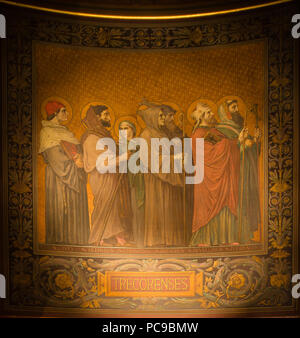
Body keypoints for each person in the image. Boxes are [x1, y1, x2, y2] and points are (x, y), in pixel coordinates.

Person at [189, 102, 241, 246]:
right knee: (207, 208)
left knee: (225, 202)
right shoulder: (198, 134)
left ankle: (226, 238)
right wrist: (230, 144)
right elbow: (208, 154)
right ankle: (205, 240)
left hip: (222, 175)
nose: (212, 114)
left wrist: (238, 142)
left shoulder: (214, 131)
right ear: (202, 116)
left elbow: (227, 143)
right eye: (209, 112)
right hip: (206, 179)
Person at [39, 100, 90, 245]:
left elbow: (77, 151)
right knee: (62, 206)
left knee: (76, 208)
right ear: (54, 114)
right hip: (59, 177)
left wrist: (81, 158)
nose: (66, 114)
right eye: (63, 111)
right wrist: (76, 163)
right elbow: (54, 157)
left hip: (74, 173)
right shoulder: (47, 132)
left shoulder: (66, 132)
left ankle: (79, 241)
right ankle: (62, 242)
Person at [81, 105, 132, 246]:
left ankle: (114, 234)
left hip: (111, 176)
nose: (109, 118)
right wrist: (122, 158)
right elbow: (100, 163)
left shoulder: (104, 135)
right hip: (101, 177)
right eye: (105, 115)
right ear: (97, 117)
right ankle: (98, 236)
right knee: (103, 205)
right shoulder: (91, 138)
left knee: (113, 207)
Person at [138, 102, 185, 247]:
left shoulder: (163, 133)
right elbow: (150, 159)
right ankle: (157, 240)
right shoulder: (146, 134)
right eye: (159, 116)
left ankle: (171, 240)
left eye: (163, 116)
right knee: (157, 207)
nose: (163, 118)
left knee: (170, 208)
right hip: (155, 179)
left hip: (169, 177)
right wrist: (174, 159)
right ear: (152, 117)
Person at [217, 99, 261, 243]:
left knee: (246, 202)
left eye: (237, 107)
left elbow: (252, 149)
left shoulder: (240, 128)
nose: (237, 110)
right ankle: (238, 236)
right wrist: (240, 144)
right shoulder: (222, 130)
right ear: (226, 112)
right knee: (238, 203)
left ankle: (246, 235)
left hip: (246, 172)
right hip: (233, 173)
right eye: (233, 107)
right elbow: (223, 153)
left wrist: (255, 141)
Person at [119, 120, 145, 248]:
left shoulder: (138, 144)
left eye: (126, 128)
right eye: (121, 128)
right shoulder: (119, 145)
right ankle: (130, 237)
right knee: (126, 210)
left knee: (138, 209)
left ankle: (140, 239)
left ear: (133, 130)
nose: (124, 131)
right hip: (123, 182)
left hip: (137, 180)